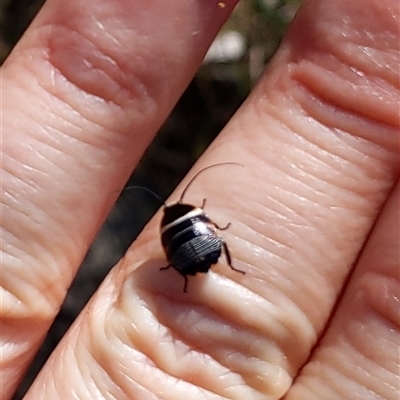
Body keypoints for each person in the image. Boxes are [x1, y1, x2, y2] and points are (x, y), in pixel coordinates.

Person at [1, 0, 399, 399]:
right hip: (197, 252)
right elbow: (208, 231)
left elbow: (187, 239)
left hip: (191, 257)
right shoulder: (194, 221)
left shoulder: (175, 228)